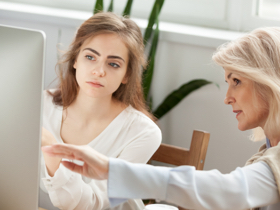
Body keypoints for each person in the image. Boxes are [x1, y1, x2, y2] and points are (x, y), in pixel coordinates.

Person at [42, 27, 280, 210]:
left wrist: (112, 170)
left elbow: (231, 191)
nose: (227, 98)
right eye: (228, 82)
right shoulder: (268, 150)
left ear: (269, 83)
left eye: (236, 81)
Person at [40, 12, 161, 210]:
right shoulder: (39, 104)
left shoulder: (143, 133)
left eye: (113, 64)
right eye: (90, 57)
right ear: (75, 60)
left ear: (127, 74)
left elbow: (94, 204)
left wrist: (51, 148)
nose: (99, 71)